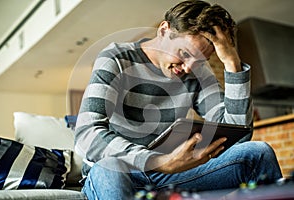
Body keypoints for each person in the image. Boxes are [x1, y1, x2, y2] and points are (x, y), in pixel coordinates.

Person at [74, 0, 282, 199]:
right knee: (112, 168)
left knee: (257, 154)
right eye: (184, 53)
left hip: (170, 173)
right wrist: (157, 161)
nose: (189, 67)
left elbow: (238, 135)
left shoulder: (195, 73)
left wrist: (232, 63)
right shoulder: (116, 58)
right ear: (164, 30)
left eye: (200, 60)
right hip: (121, 170)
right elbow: (87, 133)